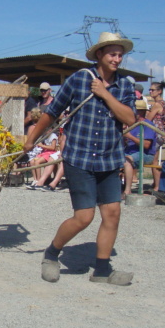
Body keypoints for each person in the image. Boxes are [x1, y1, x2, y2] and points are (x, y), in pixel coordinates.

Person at [24, 32, 136, 286]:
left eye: (120, 55)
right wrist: (31, 140)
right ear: (100, 54)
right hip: (80, 158)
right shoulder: (79, 80)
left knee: (112, 214)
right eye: (112, 54)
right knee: (84, 217)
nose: (117, 59)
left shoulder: (125, 85)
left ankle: (102, 270)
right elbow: (51, 112)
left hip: (109, 159)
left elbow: (129, 119)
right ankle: (51, 254)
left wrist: (106, 94)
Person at [123, 99, 156, 198]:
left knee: (126, 161)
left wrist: (130, 136)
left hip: (145, 154)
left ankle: (127, 191)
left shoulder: (148, 125)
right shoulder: (131, 124)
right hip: (130, 151)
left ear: (141, 112)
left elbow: (146, 145)